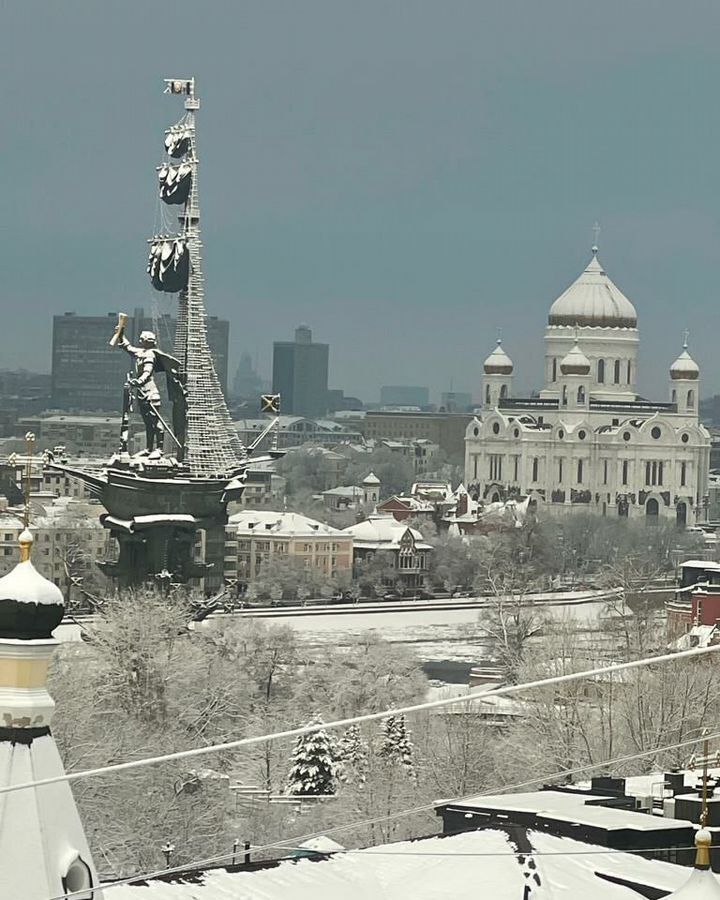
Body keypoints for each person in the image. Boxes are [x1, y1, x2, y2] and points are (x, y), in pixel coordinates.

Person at [118, 330, 166, 456]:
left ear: (147, 341)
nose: (140, 341)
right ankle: (149, 449)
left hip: (150, 392)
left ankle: (159, 449)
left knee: (155, 421)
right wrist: (121, 333)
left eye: (142, 339)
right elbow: (128, 347)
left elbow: (147, 371)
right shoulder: (142, 352)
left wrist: (139, 381)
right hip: (142, 393)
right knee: (148, 423)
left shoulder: (150, 355)